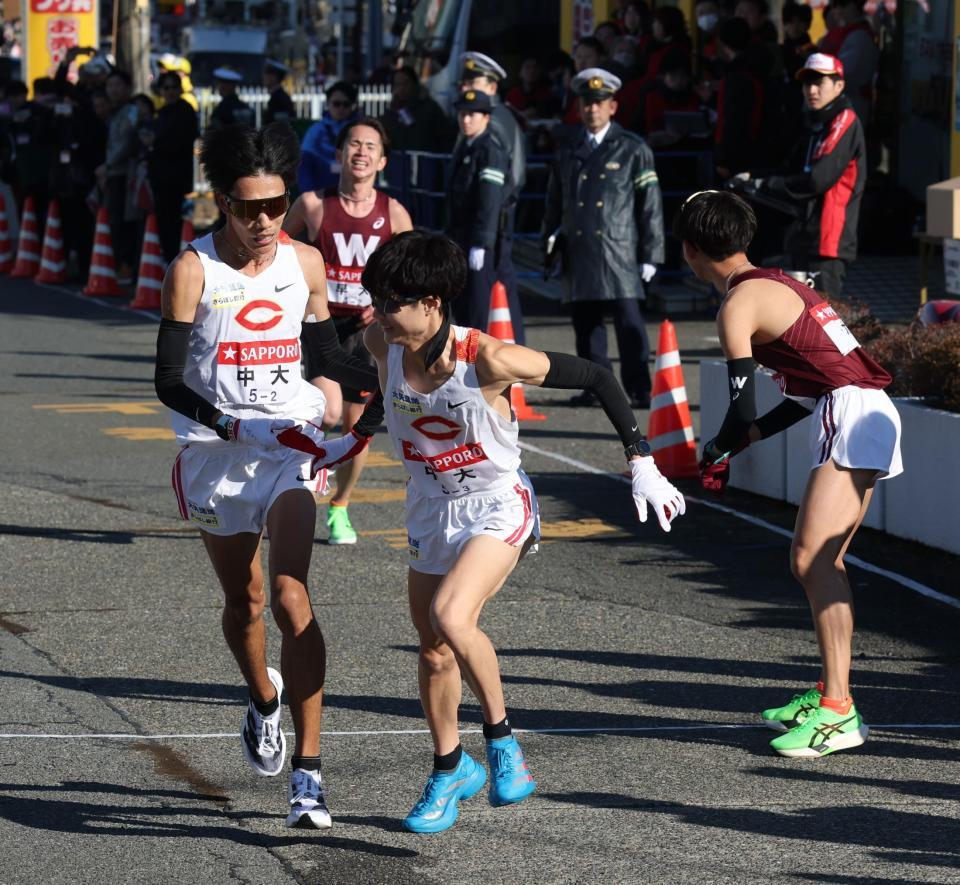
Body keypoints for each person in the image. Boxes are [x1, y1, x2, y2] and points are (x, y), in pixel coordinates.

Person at [277, 229, 685, 833]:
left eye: (390, 302)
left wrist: (641, 461)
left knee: (452, 615)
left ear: (433, 303)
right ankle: (449, 768)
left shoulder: (488, 358)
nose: (378, 313)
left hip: (496, 504)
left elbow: (598, 376)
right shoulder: (380, 340)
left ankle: (503, 744)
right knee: (434, 649)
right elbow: (381, 398)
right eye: (375, 299)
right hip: (429, 510)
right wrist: (348, 440)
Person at [153, 122, 383, 829]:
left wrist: (400, 379)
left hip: (289, 443)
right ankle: (261, 699)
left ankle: (309, 775)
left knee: (288, 595)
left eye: (276, 206)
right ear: (221, 201)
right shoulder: (192, 269)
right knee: (244, 599)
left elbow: (327, 355)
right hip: (218, 455)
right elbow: (166, 380)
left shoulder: (304, 263)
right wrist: (228, 425)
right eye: (249, 208)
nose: (264, 222)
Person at [677, 189, 901, 757]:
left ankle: (838, 712)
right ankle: (832, 694)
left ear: (690, 251)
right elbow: (795, 397)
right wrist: (740, 440)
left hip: (852, 411)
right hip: (858, 408)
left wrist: (720, 446)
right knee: (826, 561)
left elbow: (742, 404)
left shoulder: (737, 305)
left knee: (811, 560)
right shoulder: (776, 281)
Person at [283, 117, 412, 544]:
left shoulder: (392, 213)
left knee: (357, 430)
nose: (361, 152)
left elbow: (412, 272)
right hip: (322, 325)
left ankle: (340, 505)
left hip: (369, 333)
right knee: (329, 411)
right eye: (353, 144)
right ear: (338, 155)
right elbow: (277, 249)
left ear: (382, 160)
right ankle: (299, 479)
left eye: (370, 146)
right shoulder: (314, 204)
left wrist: (387, 308)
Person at [541, 68, 664, 410]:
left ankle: (639, 388)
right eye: (586, 104)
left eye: (599, 103)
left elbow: (650, 205)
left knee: (629, 325)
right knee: (587, 327)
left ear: (613, 106)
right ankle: (596, 387)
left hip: (618, 249)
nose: (592, 110)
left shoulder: (632, 149)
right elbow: (554, 203)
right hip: (579, 248)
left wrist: (651, 254)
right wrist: (547, 246)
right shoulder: (569, 149)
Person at [747, 53, 866, 299]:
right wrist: (752, 177)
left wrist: (765, 184)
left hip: (828, 242)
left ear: (839, 85)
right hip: (804, 236)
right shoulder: (816, 123)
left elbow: (817, 179)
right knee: (803, 323)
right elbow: (791, 169)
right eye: (807, 82)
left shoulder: (844, 121)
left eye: (819, 82)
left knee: (824, 323)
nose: (812, 89)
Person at [457, 52, 526, 345]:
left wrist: (482, 239)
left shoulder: (493, 123)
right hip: (484, 225)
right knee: (495, 297)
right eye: (465, 81)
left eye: (474, 81)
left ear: (493, 87)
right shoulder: (481, 118)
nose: (465, 87)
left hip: (489, 225)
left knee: (486, 300)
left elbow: (495, 186)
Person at [445, 90, 510, 337]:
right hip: (460, 236)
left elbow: (490, 200)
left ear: (486, 118)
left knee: (476, 309)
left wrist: (482, 242)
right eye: (462, 114)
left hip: (477, 240)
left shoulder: (488, 150)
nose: (466, 120)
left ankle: (476, 366)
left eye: (472, 114)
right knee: (461, 307)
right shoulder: (466, 147)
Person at [146, 71, 199, 263]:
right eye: (165, 88)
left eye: (173, 88)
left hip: (176, 177)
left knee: (174, 222)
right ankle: (169, 258)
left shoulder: (185, 110)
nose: (169, 92)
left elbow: (183, 141)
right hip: (160, 176)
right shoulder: (162, 112)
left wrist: (156, 143)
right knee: (163, 221)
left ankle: (176, 261)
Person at [298, 81, 358, 193]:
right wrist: (309, 195)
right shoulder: (316, 131)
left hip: (353, 191)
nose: (341, 108)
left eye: (346, 104)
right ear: (328, 104)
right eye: (336, 104)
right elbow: (304, 164)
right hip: (321, 191)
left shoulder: (360, 130)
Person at [379, 66, 455, 153]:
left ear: (414, 84)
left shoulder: (430, 108)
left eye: (405, 83)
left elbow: (446, 138)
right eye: (397, 84)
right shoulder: (391, 113)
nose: (401, 88)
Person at [262, 60, 295, 126]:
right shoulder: (278, 96)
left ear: (274, 77)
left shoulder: (278, 98)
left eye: (267, 75)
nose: (264, 77)